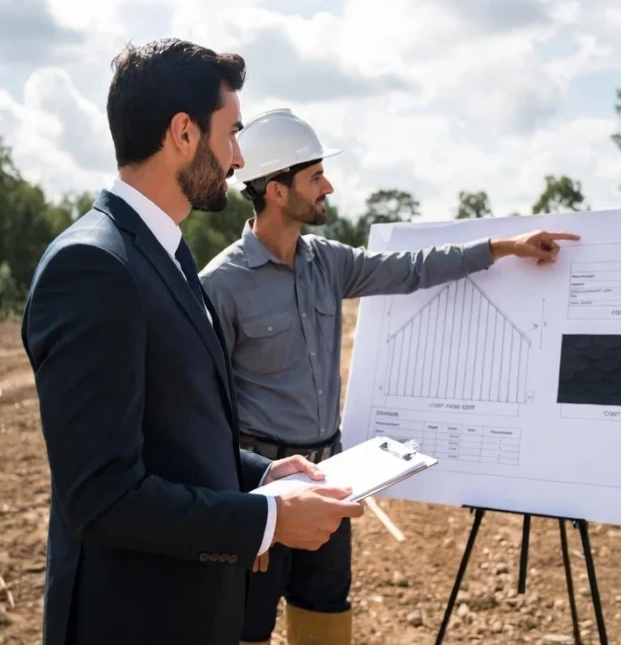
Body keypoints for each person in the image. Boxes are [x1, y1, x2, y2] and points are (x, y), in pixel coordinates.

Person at [21, 43, 364, 645]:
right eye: (231, 133)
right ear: (183, 132)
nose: (237, 158)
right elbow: (102, 497)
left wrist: (261, 474)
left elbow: (172, 439)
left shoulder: (166, 251)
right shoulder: (93, 266)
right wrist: (269, 518)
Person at [199, 108, 580, 645]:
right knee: (247, 628)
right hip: (264, 487)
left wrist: (502, 247)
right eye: (314, 177)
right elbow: (206, 411)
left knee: (326, 613)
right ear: (277, 191)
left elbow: (413, 268)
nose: (328, 186)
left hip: (329, 476)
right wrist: (244, 511)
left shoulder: (328, 262)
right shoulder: (220, 284)